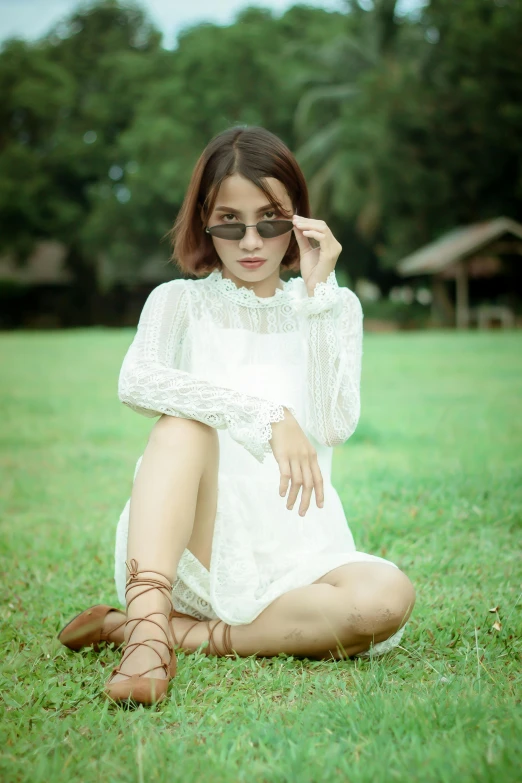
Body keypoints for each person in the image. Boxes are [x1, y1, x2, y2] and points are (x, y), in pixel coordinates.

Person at [58, 125, 416, 706]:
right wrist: (265, 414)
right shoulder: (177, 301)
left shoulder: (332, 308)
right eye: (230, 221)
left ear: (297, 220)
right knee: (182, 423)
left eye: (270, 220)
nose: (251, 240)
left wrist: (319, 294)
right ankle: (150, 628)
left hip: (299, 555)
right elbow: (138, 380)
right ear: (205, 220)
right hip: (193, 546)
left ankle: (164, 632)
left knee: (385, 598)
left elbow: (333, 423)